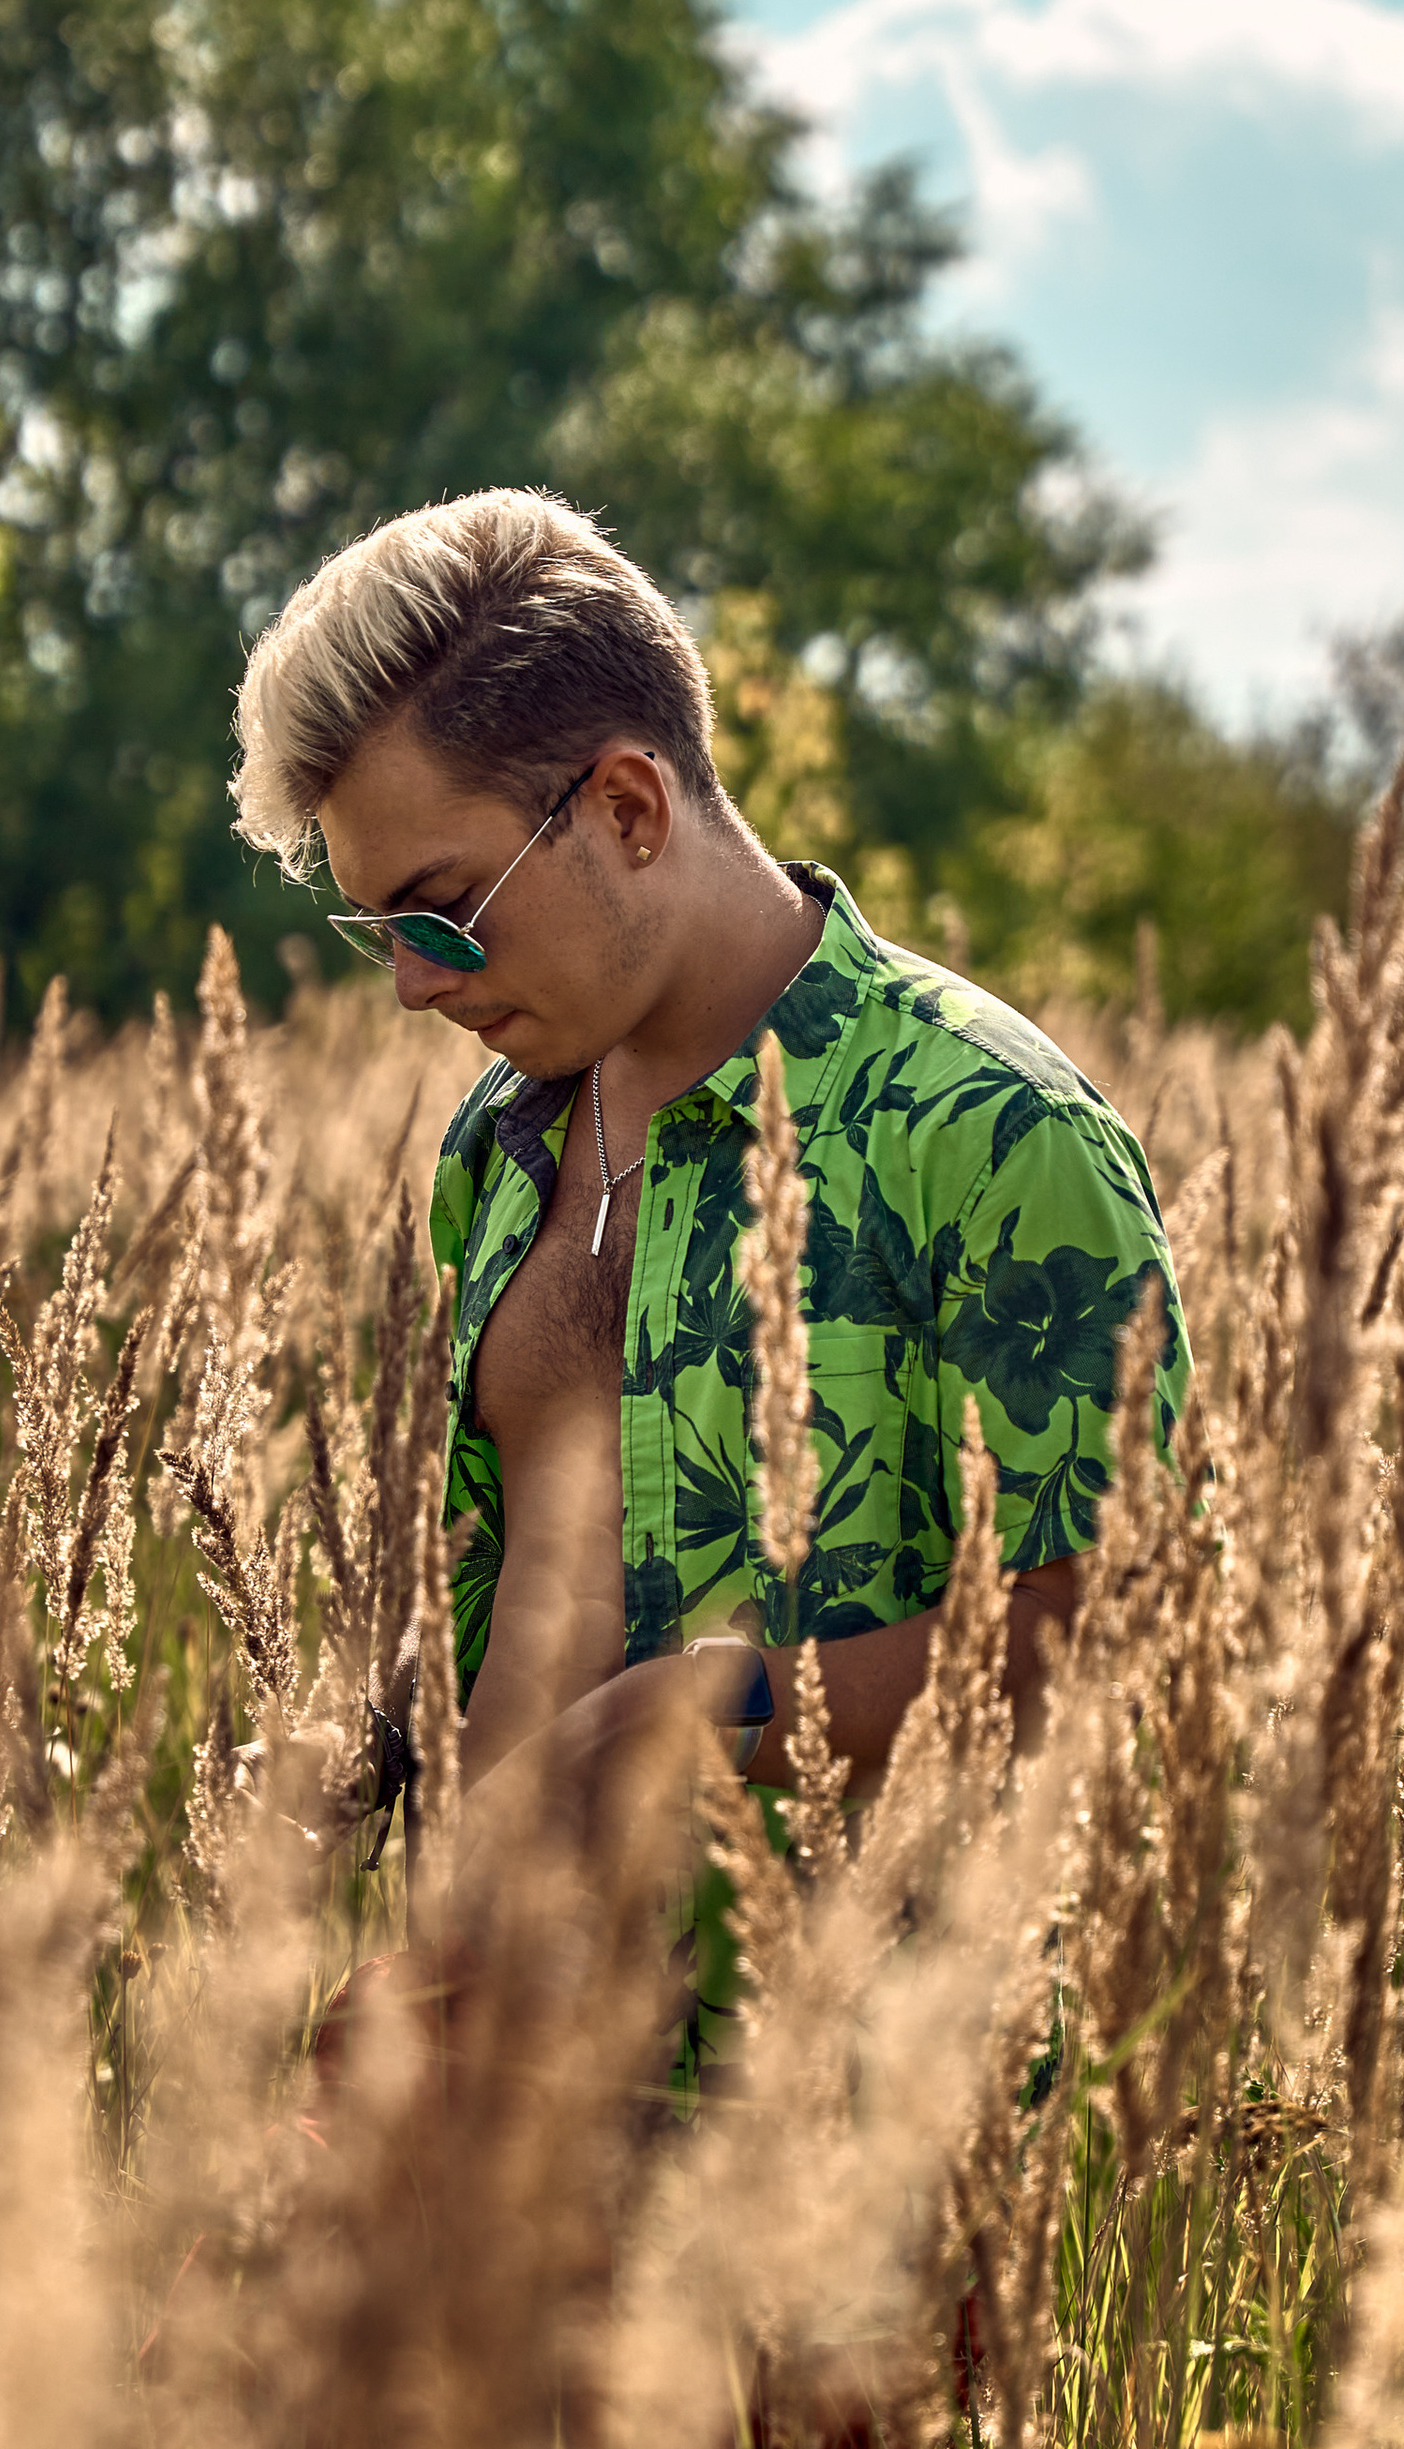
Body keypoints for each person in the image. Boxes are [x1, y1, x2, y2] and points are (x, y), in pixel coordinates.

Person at [233, 488, 1190, 1806]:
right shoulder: (498, 1147)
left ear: (629, 809)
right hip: (517, 2009)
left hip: (867, 2007)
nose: (410, 986)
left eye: (442, 915)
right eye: (375, 932)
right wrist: (392, 1741)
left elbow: (1126, 1628)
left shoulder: (992, 1132)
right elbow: (542, 1577)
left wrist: (706, 1715)